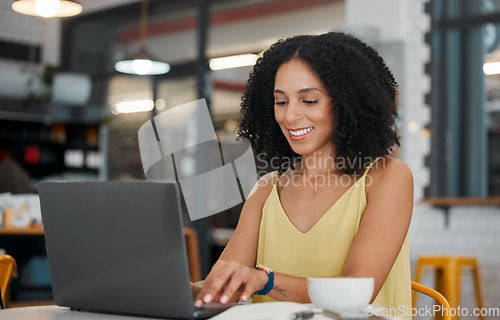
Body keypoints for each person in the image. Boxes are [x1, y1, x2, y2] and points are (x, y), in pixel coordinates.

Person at [193, 31, 413, 318]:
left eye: (309, 100)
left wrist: (265, 280)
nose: (290, 116)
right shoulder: (267, 189)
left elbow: (357, 292)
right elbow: (226, 289)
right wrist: (172, 288)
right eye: (281, 102)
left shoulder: (388, 177)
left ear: (348, 105)